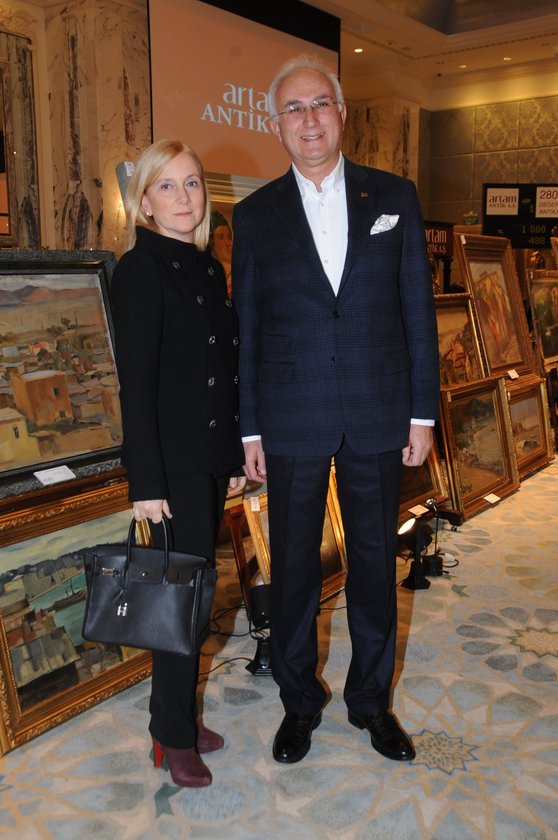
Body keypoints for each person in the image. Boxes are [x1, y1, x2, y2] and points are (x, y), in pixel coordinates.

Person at [232, 55, 439, 765]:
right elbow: (249, 327)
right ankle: (299, 702)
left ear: (342, 114)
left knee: (375, 564)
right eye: (293, 108)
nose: (309, 118)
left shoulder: (394, 196)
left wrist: (422, 414)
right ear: (275, 125)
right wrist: (250, 426)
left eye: (320, 103)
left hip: (379, 410)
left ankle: (371, 702)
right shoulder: (255, 215)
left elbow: (417, 311)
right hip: (290, 414)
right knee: (292, 568)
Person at [111, 139, 245, 787]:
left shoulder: (206, 268)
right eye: (166, 186)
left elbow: (221, 370)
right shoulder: (140, 271)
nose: (183, 197)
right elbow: (134, 387)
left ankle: (181, 719)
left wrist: (233, 453)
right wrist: (145, 482)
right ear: (144, 202)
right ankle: (171, 736)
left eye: (192, 183)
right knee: (178, 603)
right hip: (169, 468)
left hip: (207, 459)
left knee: (197, 595)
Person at [210, 211, 233, 297]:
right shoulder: (205, 276)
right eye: (221, 237)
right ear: (210, 242)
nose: (229, 243)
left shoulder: (240, 275)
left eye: (229, 237)